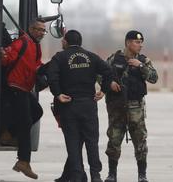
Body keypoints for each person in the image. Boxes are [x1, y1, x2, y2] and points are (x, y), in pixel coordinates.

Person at [46, 30, 120, 182]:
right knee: (91, 142)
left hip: (69, 105)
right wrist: (104, 90)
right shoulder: (92, 57)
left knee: (73, 142)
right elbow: (109, 71)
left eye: (63, 40)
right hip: (88, 105)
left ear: (65, 42)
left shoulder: (59, 57)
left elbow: (51, 76)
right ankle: (95, 175)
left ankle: (77, 175)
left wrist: (58, 93)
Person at [103, 30, 158, 182]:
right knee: (114, 141)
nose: (140, 45)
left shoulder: (143, 60)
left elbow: (154, 78)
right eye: (137, 42)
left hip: (136, 107)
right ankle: (112, 175)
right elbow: (101, 74)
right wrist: (110, 84)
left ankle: (142, 175)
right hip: (117, 107)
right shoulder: (114, 58)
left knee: (140, 141)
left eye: (141, 42)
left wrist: (141, 66)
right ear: (128, 43)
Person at [0, 18, 46, 179]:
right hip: (14, 87)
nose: (41, 33)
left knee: (37, 111)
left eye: (43, 30)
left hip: (25, 88)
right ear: (31, 29)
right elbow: (6, 59)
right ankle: (23, 161)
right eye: (39, 29)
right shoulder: (22, 42)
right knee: (25, 122)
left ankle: (8, 134)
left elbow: (37, 65)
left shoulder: (36, 46)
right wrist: (3, 53)